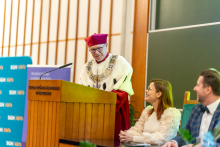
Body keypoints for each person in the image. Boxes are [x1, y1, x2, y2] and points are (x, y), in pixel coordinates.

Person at [79, 33, 134, 142]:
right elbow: (82, 89)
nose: (96, 52)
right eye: (92, 50)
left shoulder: (120, 62)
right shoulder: (86, 67)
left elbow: (123, 88)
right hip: (92, 111)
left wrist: (105, 102)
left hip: (114, 108)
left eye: (99, 48)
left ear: (106, 45)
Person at [162, 68, 220, 147]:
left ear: (208, 90)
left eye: (198, 85)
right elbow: (184, 135)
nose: (194, 88)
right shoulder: (196, 109)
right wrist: (174, 142)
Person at [119, 79, 181, 145]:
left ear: (158, 94)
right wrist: (126, 135)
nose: (146, 91)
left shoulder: (172, 114)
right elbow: (137, 130)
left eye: (149, 89)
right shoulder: (147, 111)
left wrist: (133, 138)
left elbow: (162, 138)